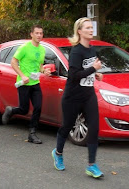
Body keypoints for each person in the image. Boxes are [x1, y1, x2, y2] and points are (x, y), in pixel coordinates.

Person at [51, 17, 104, 178]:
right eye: (87, 28)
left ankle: (91, 165)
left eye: (91, 27)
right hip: (73, 96)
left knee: (94, 128)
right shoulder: (76, 51)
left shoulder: (92, 50)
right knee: (67, 126)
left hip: (88, 95)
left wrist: (97, 73)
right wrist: (93, 68)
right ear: (79, 31)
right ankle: (58, 153)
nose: (91, 30)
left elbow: (87, 70)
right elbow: (73, 75)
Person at [2, 25, 51, 144]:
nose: (39, 35)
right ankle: (11, 110)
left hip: (35, 83)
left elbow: (39, 66)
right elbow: (13, 62)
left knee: (38, 107)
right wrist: (22, 75)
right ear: (32, 34)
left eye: (41, 33)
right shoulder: (24, 48)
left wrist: (44, 71)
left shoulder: (42, 49)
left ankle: (32, 133)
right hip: (24, 83)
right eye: (37, 33)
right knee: (24, 109)